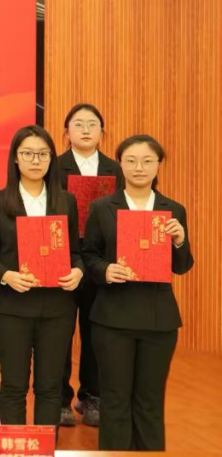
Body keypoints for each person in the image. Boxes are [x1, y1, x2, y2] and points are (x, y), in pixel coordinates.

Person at [82, 134, 192, 451]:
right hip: (112, 319)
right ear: (120, 164)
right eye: (131, 160)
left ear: (158, 165)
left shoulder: (173, 209)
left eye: (147, 161)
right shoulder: (102, 208)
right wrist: (105, 270)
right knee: (114, 399)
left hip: (158, 320)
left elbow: (182, 266)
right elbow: (89, 255)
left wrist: (180, 241)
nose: (139, 167)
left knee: (150, 401)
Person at [0, 125, 83, 427]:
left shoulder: (66, 201)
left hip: (58, 308)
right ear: (15, 158)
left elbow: (76, 252)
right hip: (13, 308)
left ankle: (45, 448)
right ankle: (14, 447)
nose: (35, 160)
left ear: (51, 158)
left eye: (42, 154)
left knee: (50, 387)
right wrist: (7, 275)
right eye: (28, 154)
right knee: (14, 385)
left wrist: (78, 271)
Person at [55, 103, 121, 426]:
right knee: (59, 332)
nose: (85, 129)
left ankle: (92, 396)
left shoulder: (115, 169)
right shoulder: (54, 166)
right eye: (78, 124)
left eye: (92, 124)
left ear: (102, 132)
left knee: (96, 331)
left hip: (100, 261)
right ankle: (59, 399)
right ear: (66, 132)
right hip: (63, 259)